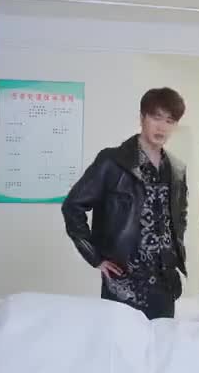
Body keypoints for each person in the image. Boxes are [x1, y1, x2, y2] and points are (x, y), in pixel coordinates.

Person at [61, 87, 189, 320]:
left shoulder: (177, 169)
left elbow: (180, 215)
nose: (162, 127)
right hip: (124, 279)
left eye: (169, 121)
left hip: (165, 281)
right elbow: (73, 206)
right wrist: (95, 257)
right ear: (142, 118)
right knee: (122, 341)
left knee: (162, 341)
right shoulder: (112, 161)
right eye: (156, 117)